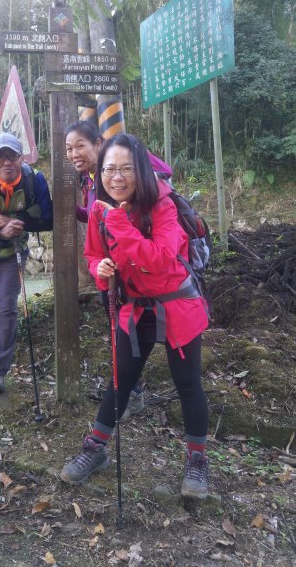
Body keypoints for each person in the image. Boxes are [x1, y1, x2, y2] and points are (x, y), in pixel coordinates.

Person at [60, 134, 210, 499]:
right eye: (110, 168)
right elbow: (93, 256)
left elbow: (160, 259)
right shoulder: (101, 210)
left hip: (177, 304)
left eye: (126, 168)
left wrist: (121, 226)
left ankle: (197, 461)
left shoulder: (163, 205)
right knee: (120, 381)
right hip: (134, 309)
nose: (117, 176)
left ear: (140, 169)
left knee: (188, 384)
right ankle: (94, 450)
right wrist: (101, 270)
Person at [65, 121, 147, 418]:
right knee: (119, 333)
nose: (74, 153)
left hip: (137, 271)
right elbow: (96, 219)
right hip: (108, 272)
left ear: (98, 143)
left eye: (80, 146)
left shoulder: (118, 171)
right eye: (69, 149)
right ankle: (130, 390)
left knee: (130, 333)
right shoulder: (91, 179)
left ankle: (130, 393)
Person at [0, 133, 53, 394]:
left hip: (12, 253)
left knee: (7, 308)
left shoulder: (33, 181)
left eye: (12, 156)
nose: (7, 162)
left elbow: (49, 220)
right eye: (0, 157)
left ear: (21, 157)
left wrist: (16, 223)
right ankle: (6, 320)